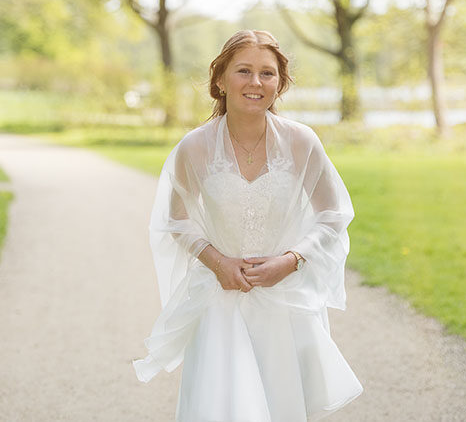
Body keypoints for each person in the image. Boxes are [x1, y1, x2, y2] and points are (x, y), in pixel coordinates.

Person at [133, 29, 363, 421]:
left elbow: (333, 214)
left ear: (280, 84)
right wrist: (217, 261)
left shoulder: (302, 142)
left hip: (284, 304)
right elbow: (177, 219)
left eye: (268, 74)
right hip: (222, 302)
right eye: (243, 71)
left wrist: (292, 260)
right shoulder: (195, 147)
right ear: (220, 80)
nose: (256, 83)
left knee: (281, 405)